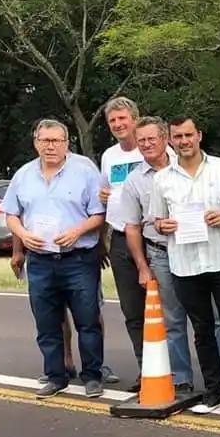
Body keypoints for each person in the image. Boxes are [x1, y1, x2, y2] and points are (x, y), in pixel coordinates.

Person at [149, 116, 220, 414]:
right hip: (185, 264)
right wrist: (165, 225)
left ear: (199, 135)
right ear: (171, 140)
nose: (184, 141)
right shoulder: (162, 179)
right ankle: (214, 391)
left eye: (189, 135)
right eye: (178, 136)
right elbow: (156, 220)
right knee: (201, 330)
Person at [2, 119, 106, 399]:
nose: (51, 146)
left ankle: (93, 376)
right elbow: (11, 214)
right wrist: (22, 236)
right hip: (40, 261)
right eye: (45, 140)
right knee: (47, 323)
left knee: (88, 320)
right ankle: (55, 375)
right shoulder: (23, 175)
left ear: (66, 143)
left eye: (57, 141)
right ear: (36, 142)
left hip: (78, 258)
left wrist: (77, 231)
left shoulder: (84, 171)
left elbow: (99, 214)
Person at [119, 116, 195, 393]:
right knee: (173, 320)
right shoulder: (134, 180)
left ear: (166, 138)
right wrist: (142, 266)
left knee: (211, 318)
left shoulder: (188, 165)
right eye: (141, 141)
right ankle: (181, 378)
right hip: (160, 253)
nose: (147, 144)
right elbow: (132, 226)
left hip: (195, 250)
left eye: (152, 138)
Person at [98, 97, 149, 391]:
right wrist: (101, 240)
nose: (118, 125)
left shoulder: (154, 148)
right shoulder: (109, 156)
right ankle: (147, 370)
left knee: (167, 311)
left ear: (135, 118)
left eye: (123, 119)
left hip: (153, 238)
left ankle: (176, 371)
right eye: (113, 121)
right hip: (119, 238)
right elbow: (106, 195)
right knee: (133, 312)